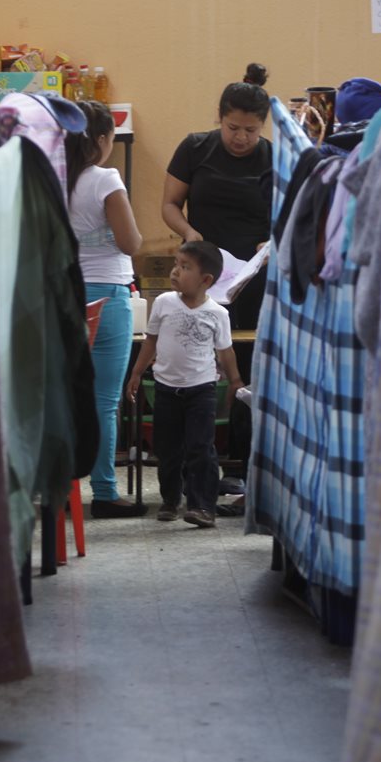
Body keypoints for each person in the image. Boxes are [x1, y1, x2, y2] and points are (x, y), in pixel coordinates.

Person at [160, 63, 272, 502]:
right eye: (232, 128)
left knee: (247, 363)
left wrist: (270, 241)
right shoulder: (196, 148)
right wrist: (189, 234)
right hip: (204, 274)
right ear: (219, 118)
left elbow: (288, 213)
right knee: (197, 362)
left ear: (262, 127)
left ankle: (244, 464)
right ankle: (198, 469)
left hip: (255, 275)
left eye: (250, 130)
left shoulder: (273, 158)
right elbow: (170, 204)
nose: (241, 138)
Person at [125, 241, 244, 528]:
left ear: (206, 280)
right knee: (167, 449)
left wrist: (235, 381)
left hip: (201, 391)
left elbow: (225, 351)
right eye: (176, 264)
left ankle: (202, 507)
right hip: (166, 389)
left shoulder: (218, 313)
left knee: (201, 448)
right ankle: (170, 500)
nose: (175, 271)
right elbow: (150, 340)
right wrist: (137, 373)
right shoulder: (164, 302)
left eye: (185, 267)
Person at [66, 100, 148, 518]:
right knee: (103, 400)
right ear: (100, 139)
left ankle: (59, 491)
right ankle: (104, 492)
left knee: (62, 395)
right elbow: (131, 243)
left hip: (63, 294)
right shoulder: (104, 179)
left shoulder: (52, 176)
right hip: (107, 294)